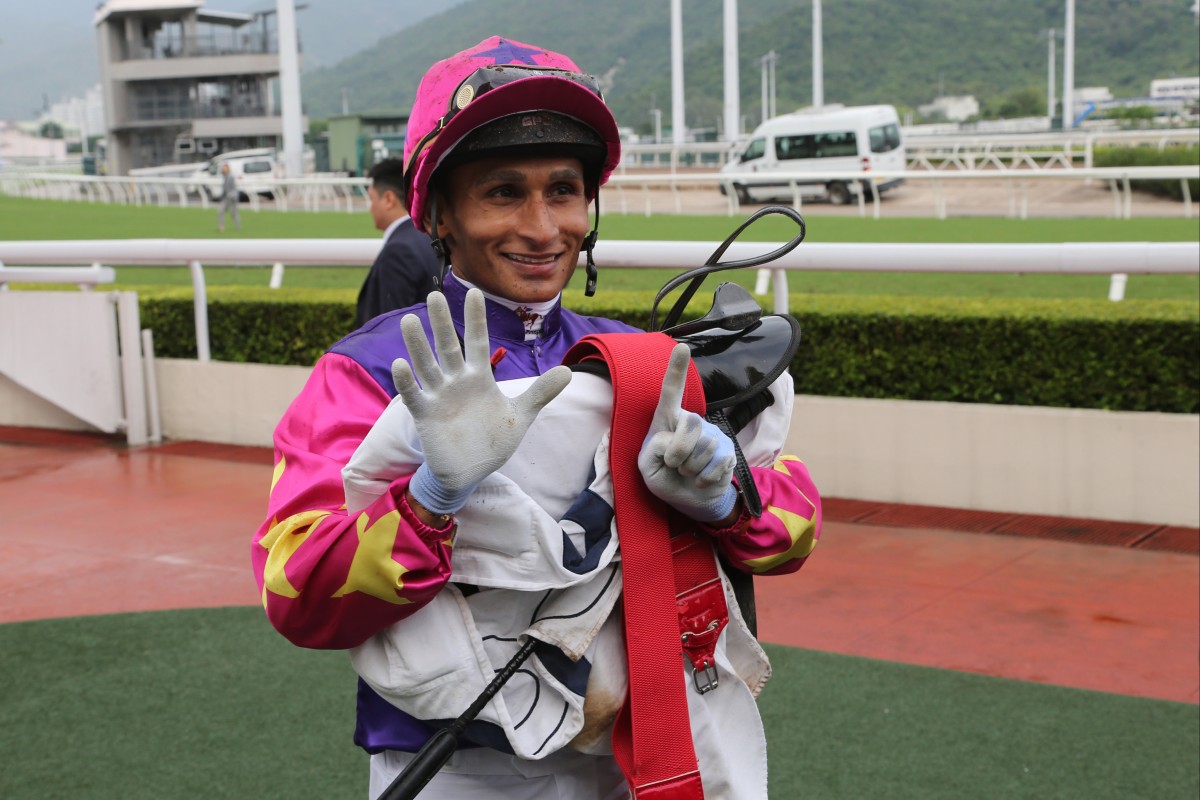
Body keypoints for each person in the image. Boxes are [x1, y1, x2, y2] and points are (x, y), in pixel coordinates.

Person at [252, 36, 821, 800]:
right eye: (502, 192)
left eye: (562, 190)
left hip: (634, 757)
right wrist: (426, 502)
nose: (543, 227)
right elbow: (297, 596)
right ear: (439, 212)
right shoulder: (362, 374)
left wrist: (728, 500)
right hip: (455, 767)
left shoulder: (641, 359)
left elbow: (791, 534)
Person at [355, 158, 442, 327]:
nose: (370, 208)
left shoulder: (399, 250)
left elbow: (391, 329)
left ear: (388, 199)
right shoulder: (430, 236)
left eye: (372, 199)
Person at [216, 162, 240, 232]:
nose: (224, 169)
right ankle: (221, 227)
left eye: (225, 168)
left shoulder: (231, 177)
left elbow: (234, 188)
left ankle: (238, 227)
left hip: (232, 198)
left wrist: (232, 195)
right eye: (223, 168)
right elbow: (224, 189)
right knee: (220, 211)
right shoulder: (224, 177)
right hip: (225, 198)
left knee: (234, 214)